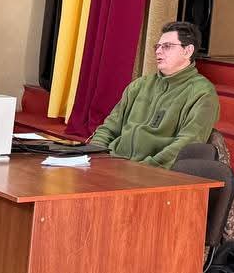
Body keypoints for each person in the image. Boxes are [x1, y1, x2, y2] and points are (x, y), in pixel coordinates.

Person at [88, 21, 221, 168]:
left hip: (151, 172)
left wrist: (145, 169)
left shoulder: (203, 93)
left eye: (167, 46)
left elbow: (187, 144)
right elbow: (109, 127)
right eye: (157, 46)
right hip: (112, 162)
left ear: (187, 51)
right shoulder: (140, 85)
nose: (158, 51)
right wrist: (93, 154)